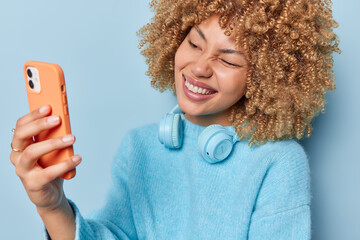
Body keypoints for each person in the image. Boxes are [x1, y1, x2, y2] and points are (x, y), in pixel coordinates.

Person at [9, 0, 340, 239]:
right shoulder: (140, 147)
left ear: (264, 78)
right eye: (194, 43)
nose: (199, 67)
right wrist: (53, 207)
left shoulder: (277, 163)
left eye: (229, 61)